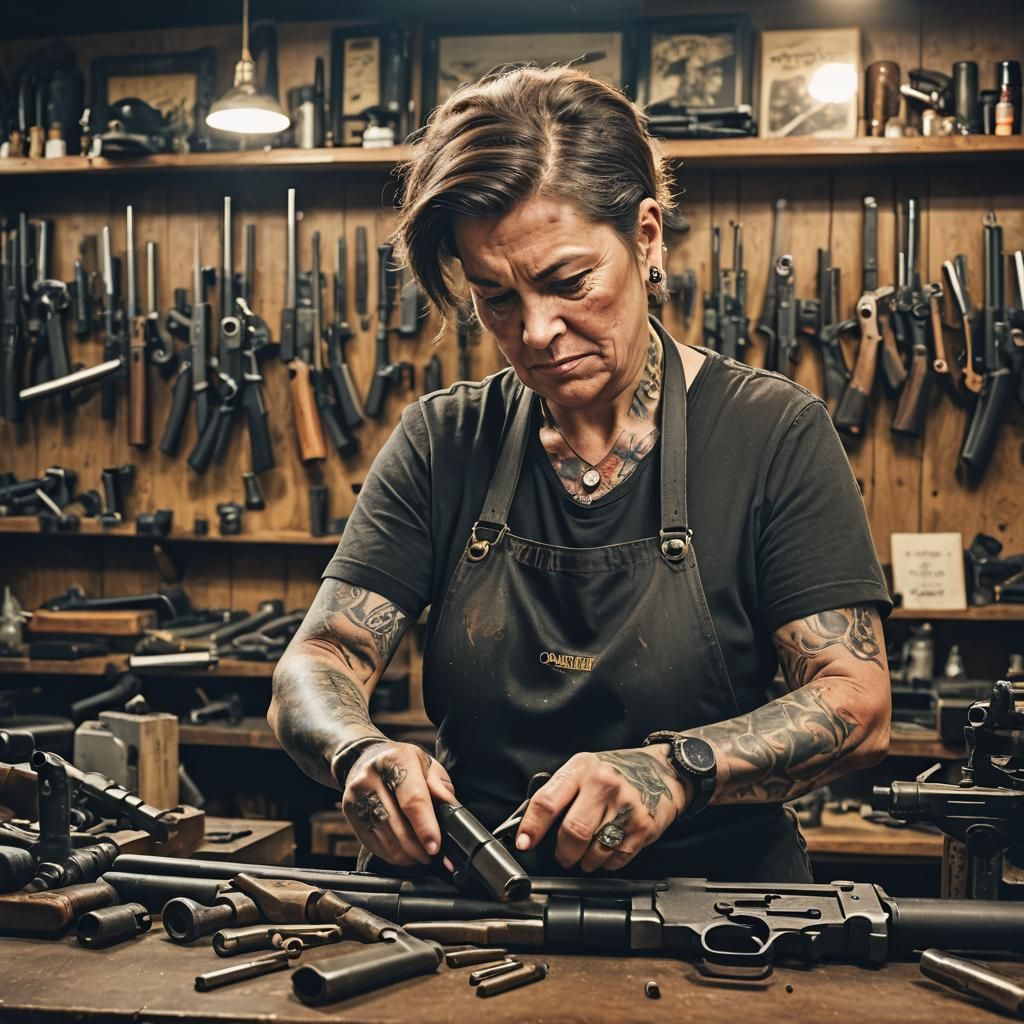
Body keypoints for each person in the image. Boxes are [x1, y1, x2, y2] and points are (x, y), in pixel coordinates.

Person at [269, 65, 892, 882]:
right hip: (472, 900)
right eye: (495, 297)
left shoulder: (771, 433)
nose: (536, 332)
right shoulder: (441, 440)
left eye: (569, 283)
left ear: (646, 235)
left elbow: (856, 700)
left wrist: (676, 769)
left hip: (713, 914)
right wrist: (358, 751)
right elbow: (314, 666)